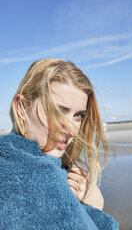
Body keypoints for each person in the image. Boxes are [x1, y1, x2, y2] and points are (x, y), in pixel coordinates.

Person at [0, 58, 119, 229]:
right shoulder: (39, 177)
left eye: (79, 116)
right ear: (22, 107)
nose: (71, 129)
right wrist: (96, 207)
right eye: (58, 111)